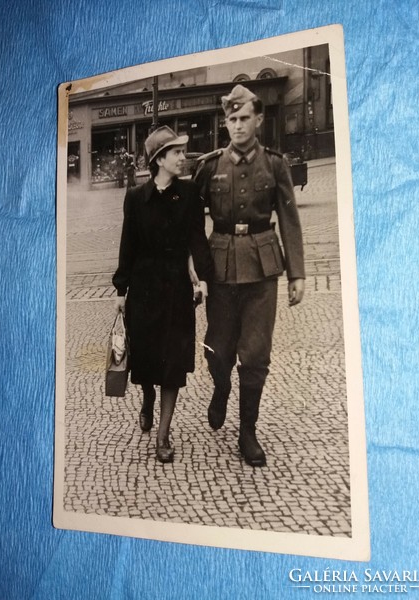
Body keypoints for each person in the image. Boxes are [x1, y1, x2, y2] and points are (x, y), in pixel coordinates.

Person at [194, 84, 305, 467]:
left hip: (262, 269)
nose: (238, 125)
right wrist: (187, 269)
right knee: (218, 351)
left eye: (244, 118)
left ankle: (247, 431)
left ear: (258, 120)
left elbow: (289, 217)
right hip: (220, 268)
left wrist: (297, 273)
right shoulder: (209, 167)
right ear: (225, 122)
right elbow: (191, 223)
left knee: (255, 355)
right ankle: (221, 388)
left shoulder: (275, 165)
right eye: (231, 119)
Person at [113, 126, 212, 463]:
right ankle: (146, 399)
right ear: (159, 160)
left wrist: (203, 280)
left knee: (173, 366)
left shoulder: (190, 193)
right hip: (143, 292)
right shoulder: (136, 198)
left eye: (183, 152)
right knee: (146, 362)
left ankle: (163, 434)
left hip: (176, 295)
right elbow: (128, 246)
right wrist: (121, 289)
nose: (183, 158)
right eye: (176, 153)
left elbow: (198, 240)